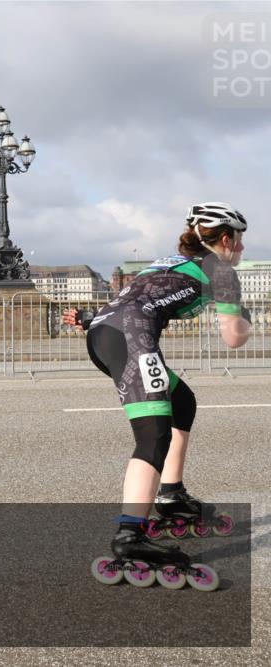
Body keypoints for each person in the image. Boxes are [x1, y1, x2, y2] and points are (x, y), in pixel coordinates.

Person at [66, 202, 250, 587]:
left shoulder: (166, 261)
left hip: (105, 332)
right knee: (153, 436)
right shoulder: (222, 270)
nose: (243, 249)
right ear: (227, 240)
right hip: (132, 338)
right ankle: (130, 533)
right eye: (241, 240)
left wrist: (86, 318)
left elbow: (131, 298)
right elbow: (234, 338)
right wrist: (242, 318)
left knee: (182, 402)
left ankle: (170, 494)